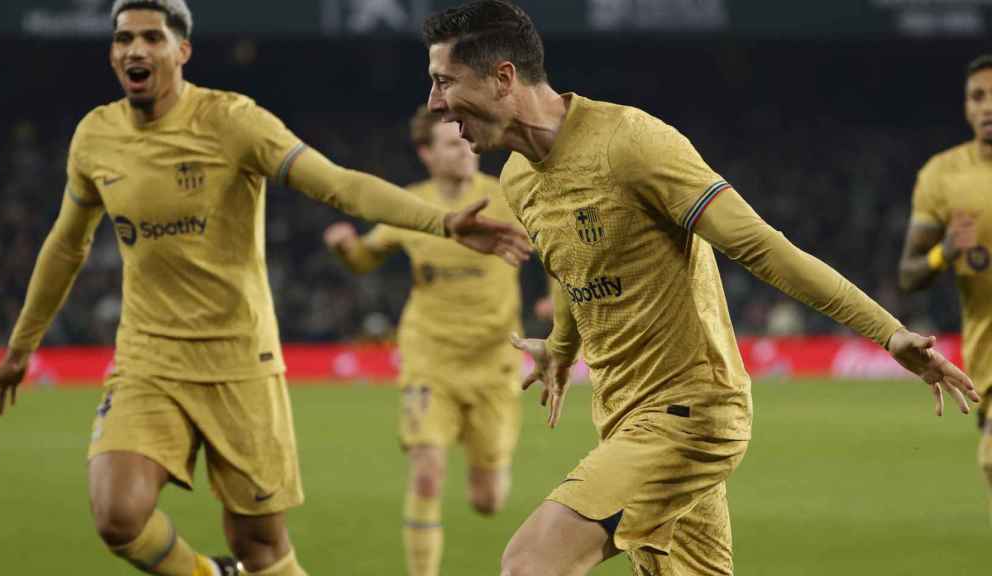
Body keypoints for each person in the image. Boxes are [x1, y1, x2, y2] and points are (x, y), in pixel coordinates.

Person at [421, 2, 980, 575]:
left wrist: (888, 333)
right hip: (623, 415)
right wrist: (561, 347)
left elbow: (763, 247)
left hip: (689, 414)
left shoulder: (630, 144)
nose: (435, 103)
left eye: (444, 81)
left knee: (529, 565)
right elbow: (572, 266)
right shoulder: (517, 178)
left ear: (503, 77)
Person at [0, 2, 529, 576]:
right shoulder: (96, 136)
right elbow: (67, 245)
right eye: (123, 38)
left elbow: (337, 185)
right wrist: (20, 348)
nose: (134, 49)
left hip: (240, 362)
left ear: (181, 50)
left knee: (261, 549)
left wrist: (441, 220)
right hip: (148, 358)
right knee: (117, 515)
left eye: (151, 37)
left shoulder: (234, 121)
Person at [323, 105, 524, 576]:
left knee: (488, 500)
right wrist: (345, 248)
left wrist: (555, 304)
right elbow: (364, 261)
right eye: (452, 143)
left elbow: (559, 247)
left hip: (495, 363)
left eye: (468, 139)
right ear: (427, 154)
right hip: (429, 359)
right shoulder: (408, 206)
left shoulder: (508, 197)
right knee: (427, 470)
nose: (466, 148)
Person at [899, 54, 992, 525]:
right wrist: (945, 252)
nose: (988, 107)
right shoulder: (943, 177)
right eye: (979, 96)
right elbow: (909, 275)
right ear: (966, 106)